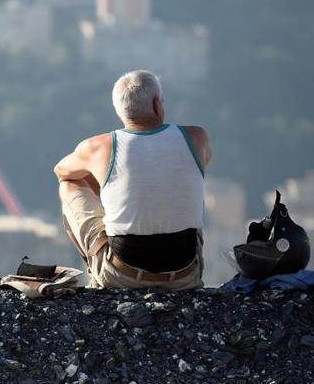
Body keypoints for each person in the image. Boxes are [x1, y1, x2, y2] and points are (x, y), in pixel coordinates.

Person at [53, 70, 212, 289]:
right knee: (186, 182)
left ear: (121, 112)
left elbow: (61, 171)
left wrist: (105, 186)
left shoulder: (98, 147)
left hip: (120, 276)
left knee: (69, 184)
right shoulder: (197, 138)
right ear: (157, 105)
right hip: (185, 276)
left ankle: (97, 270)